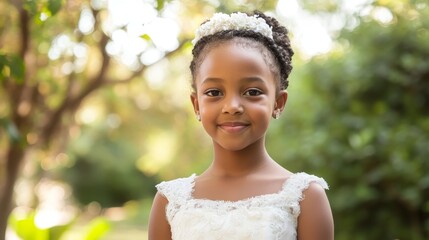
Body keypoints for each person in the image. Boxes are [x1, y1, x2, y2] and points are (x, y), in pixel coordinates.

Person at [148, 10, 334, 240]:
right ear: (196, 105)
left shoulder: (305, 197)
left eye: (252, 92)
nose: (232, 106)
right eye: (214, 92)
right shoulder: (171, 201)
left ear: (278, 102)